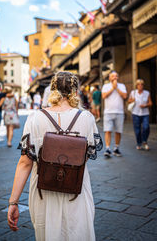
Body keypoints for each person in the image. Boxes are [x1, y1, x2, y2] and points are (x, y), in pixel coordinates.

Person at [7, 71, 102, 241]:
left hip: (44, 192)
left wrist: (13, 202)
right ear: (75, 91)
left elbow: (25, 163)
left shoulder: (35, 118)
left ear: (52, 90)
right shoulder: (87, 118)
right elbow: (84, 158)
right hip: (76, 191)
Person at [102, 71, 127, 158]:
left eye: (116, 76)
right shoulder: (105, 86)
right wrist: (113, 88)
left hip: (119, 112)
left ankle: (116, 148)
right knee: (108, 130)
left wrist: (116, 88)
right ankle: (108, 148)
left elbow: (124, 96)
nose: (115, 78)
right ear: (109, 78)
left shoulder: (122, 86)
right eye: (113, 76)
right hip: (108, 112)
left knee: (118, 131)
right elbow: (104, 96)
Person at [128, 79, 152, 150]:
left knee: (146, 127)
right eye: (138, 84)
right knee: (137, 130)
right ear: (136, 85)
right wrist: (132, 100)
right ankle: (139, 143)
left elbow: (150, 103)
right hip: (135, 113)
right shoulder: (133, 93)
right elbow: (129, 101)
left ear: (143, 86)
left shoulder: (147, 93)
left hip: (145, 114)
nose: (140, 86)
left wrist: (145, 105)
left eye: (142, 84)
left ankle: (144, 141)